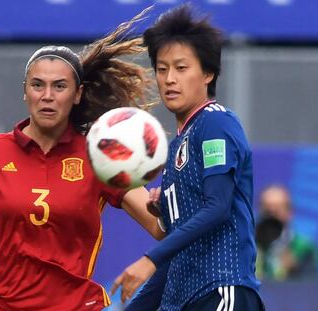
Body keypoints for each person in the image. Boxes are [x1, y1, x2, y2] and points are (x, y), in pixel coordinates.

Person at [0, 8, 165, 311]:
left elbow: (159, 229)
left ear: (77, 94)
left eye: (59, 86)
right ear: (25, 92)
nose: (47, 95)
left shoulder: (100, 155)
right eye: (38, 85)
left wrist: (163, 206)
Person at [111, 4, 264, 310]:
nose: (169, 79)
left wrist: (148, 260)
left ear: (208, 73)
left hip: (222, 290)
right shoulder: (181, 142)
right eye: (162, 68)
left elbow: (218, 207)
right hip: (186, 296)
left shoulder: (216, 122)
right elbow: (180, 249)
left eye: (181, 68)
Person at [255, 185, 318, 281]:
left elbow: (310, 289)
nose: (272, 215)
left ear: (289, 212)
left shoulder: (303, 249)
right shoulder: (245, 246)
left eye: (277, 209)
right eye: (267, 209)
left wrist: (294, 269)